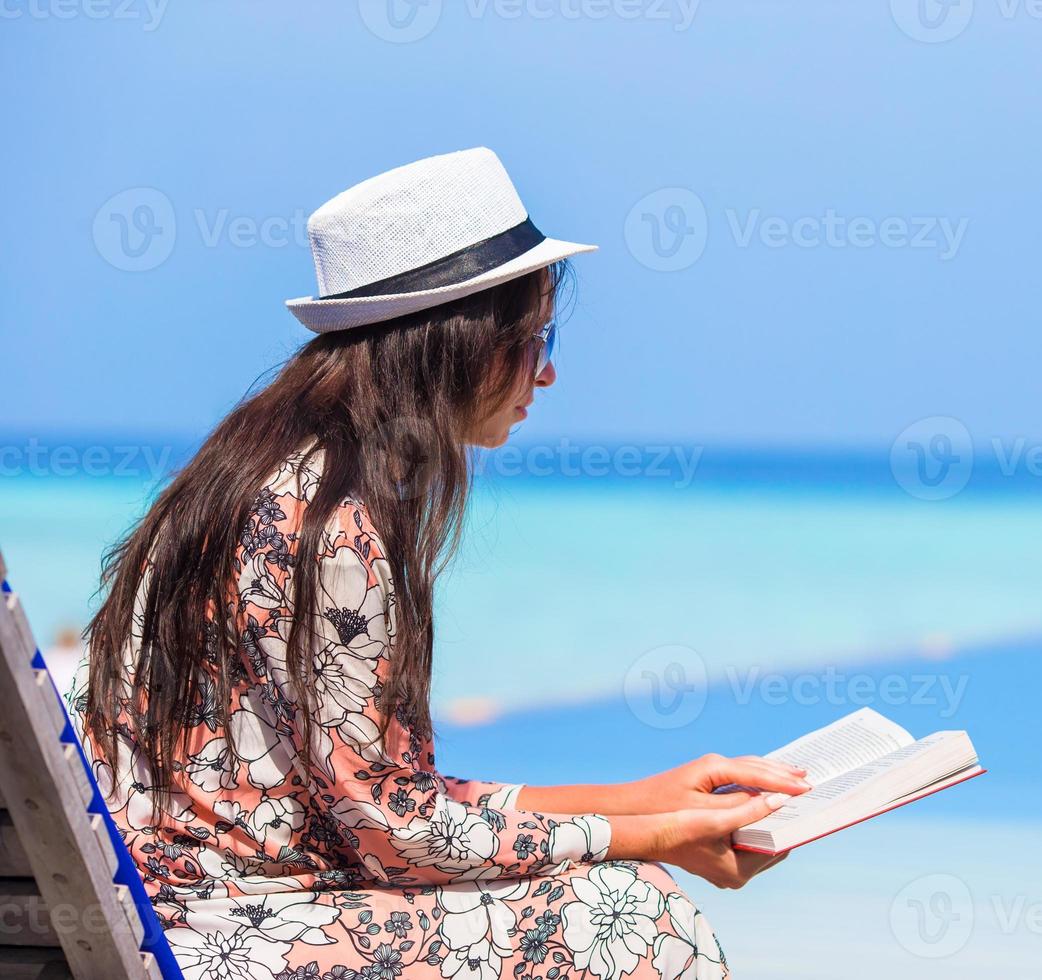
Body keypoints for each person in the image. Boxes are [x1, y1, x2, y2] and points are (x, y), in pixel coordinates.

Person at [67, 147, 809, 980]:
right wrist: (650, 835)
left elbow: (381, 796)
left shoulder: (265, 467)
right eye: (535, 339)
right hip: (220, 933)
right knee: (634, 917)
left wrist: (646, 797)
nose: (550, 371)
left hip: (188, 906)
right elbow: (395, 833)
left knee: (622, 893)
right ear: (458, 341)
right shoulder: (332, 525)